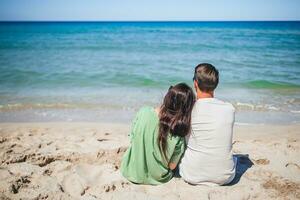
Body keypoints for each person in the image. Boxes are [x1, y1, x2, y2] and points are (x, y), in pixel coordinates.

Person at [121, 83, 195, 185]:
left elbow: (132, 138)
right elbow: (172, 166)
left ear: (167, 98)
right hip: (159, 178)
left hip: (131, 171)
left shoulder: (143, 112)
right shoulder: (178, 133)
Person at [179, 63, 237, 186]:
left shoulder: (189, 109)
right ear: (215, 85)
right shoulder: (229, 109)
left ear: (195, 83)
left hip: (192, 174)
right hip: (225, 176)